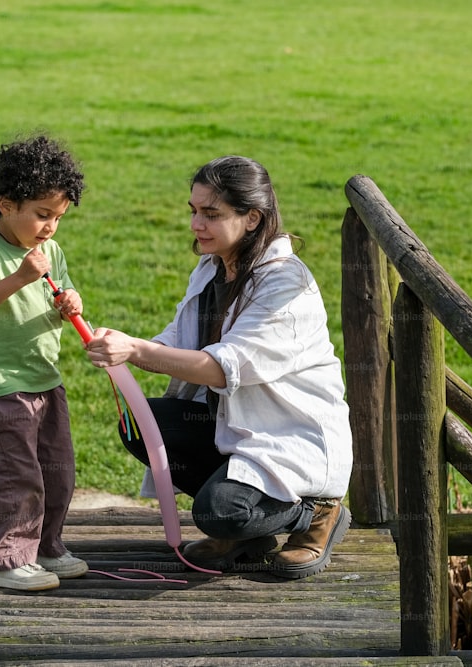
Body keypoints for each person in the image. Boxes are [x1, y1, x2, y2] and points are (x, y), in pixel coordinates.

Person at [84, 155, 353, 579]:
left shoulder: (287, 286)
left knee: (218, 513)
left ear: (252, 218)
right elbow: (180, 337)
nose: (196, 224)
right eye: (194, 211)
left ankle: (316, 512)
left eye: (211, 214)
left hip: (289, 437)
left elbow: (221, 369)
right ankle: (248, 530)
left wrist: (135, 350)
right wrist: (124, 344)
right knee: (140, 424)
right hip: (238, 427)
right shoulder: (212, 268)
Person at [0, 134, 89, 591]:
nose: (51, 226)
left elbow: (59, 294)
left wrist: (70, 301)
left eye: (59, 217)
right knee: (18, 475)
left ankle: (45, 547)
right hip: (1, 386)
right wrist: (18, 277)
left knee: (58, 470)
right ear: (7, 204)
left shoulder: (50, 252)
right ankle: (4, 559)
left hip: (45, 379)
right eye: (42, 215)